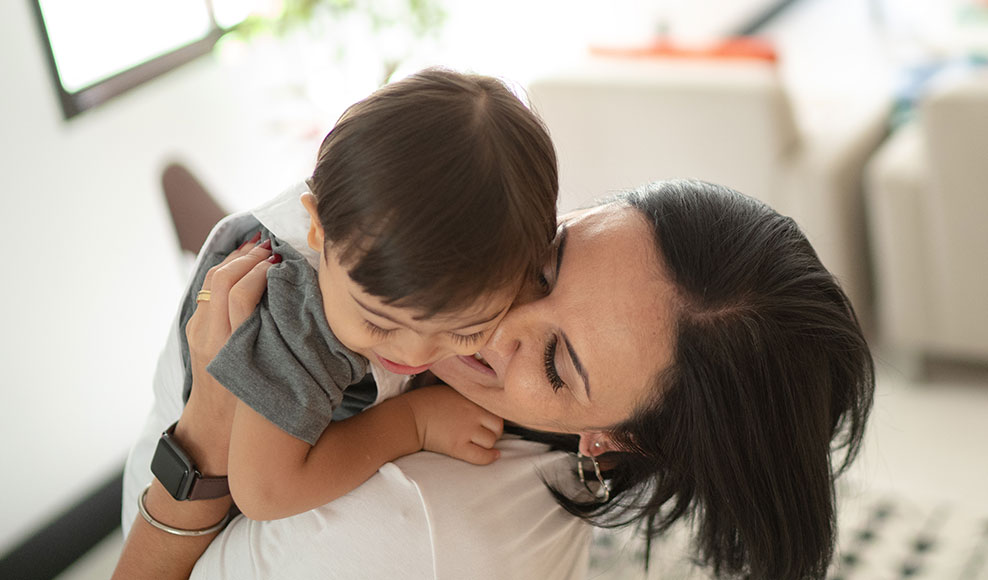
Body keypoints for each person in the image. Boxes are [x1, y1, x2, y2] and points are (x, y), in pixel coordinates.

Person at [116, 178, 874, 580]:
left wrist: (208, 427)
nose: (490, 325)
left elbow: (263, 489)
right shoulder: (551, 432)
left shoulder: (406, 531)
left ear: (613, 437)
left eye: (553, 362)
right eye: (545, 261)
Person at [154, 66, 559, 523]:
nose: (415, 352)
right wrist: (413, 422)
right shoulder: (301, 314)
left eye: (465, 331)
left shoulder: (478, 269)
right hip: (186, 471)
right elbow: (264, 491)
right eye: (379, 322)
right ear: (318, 228)